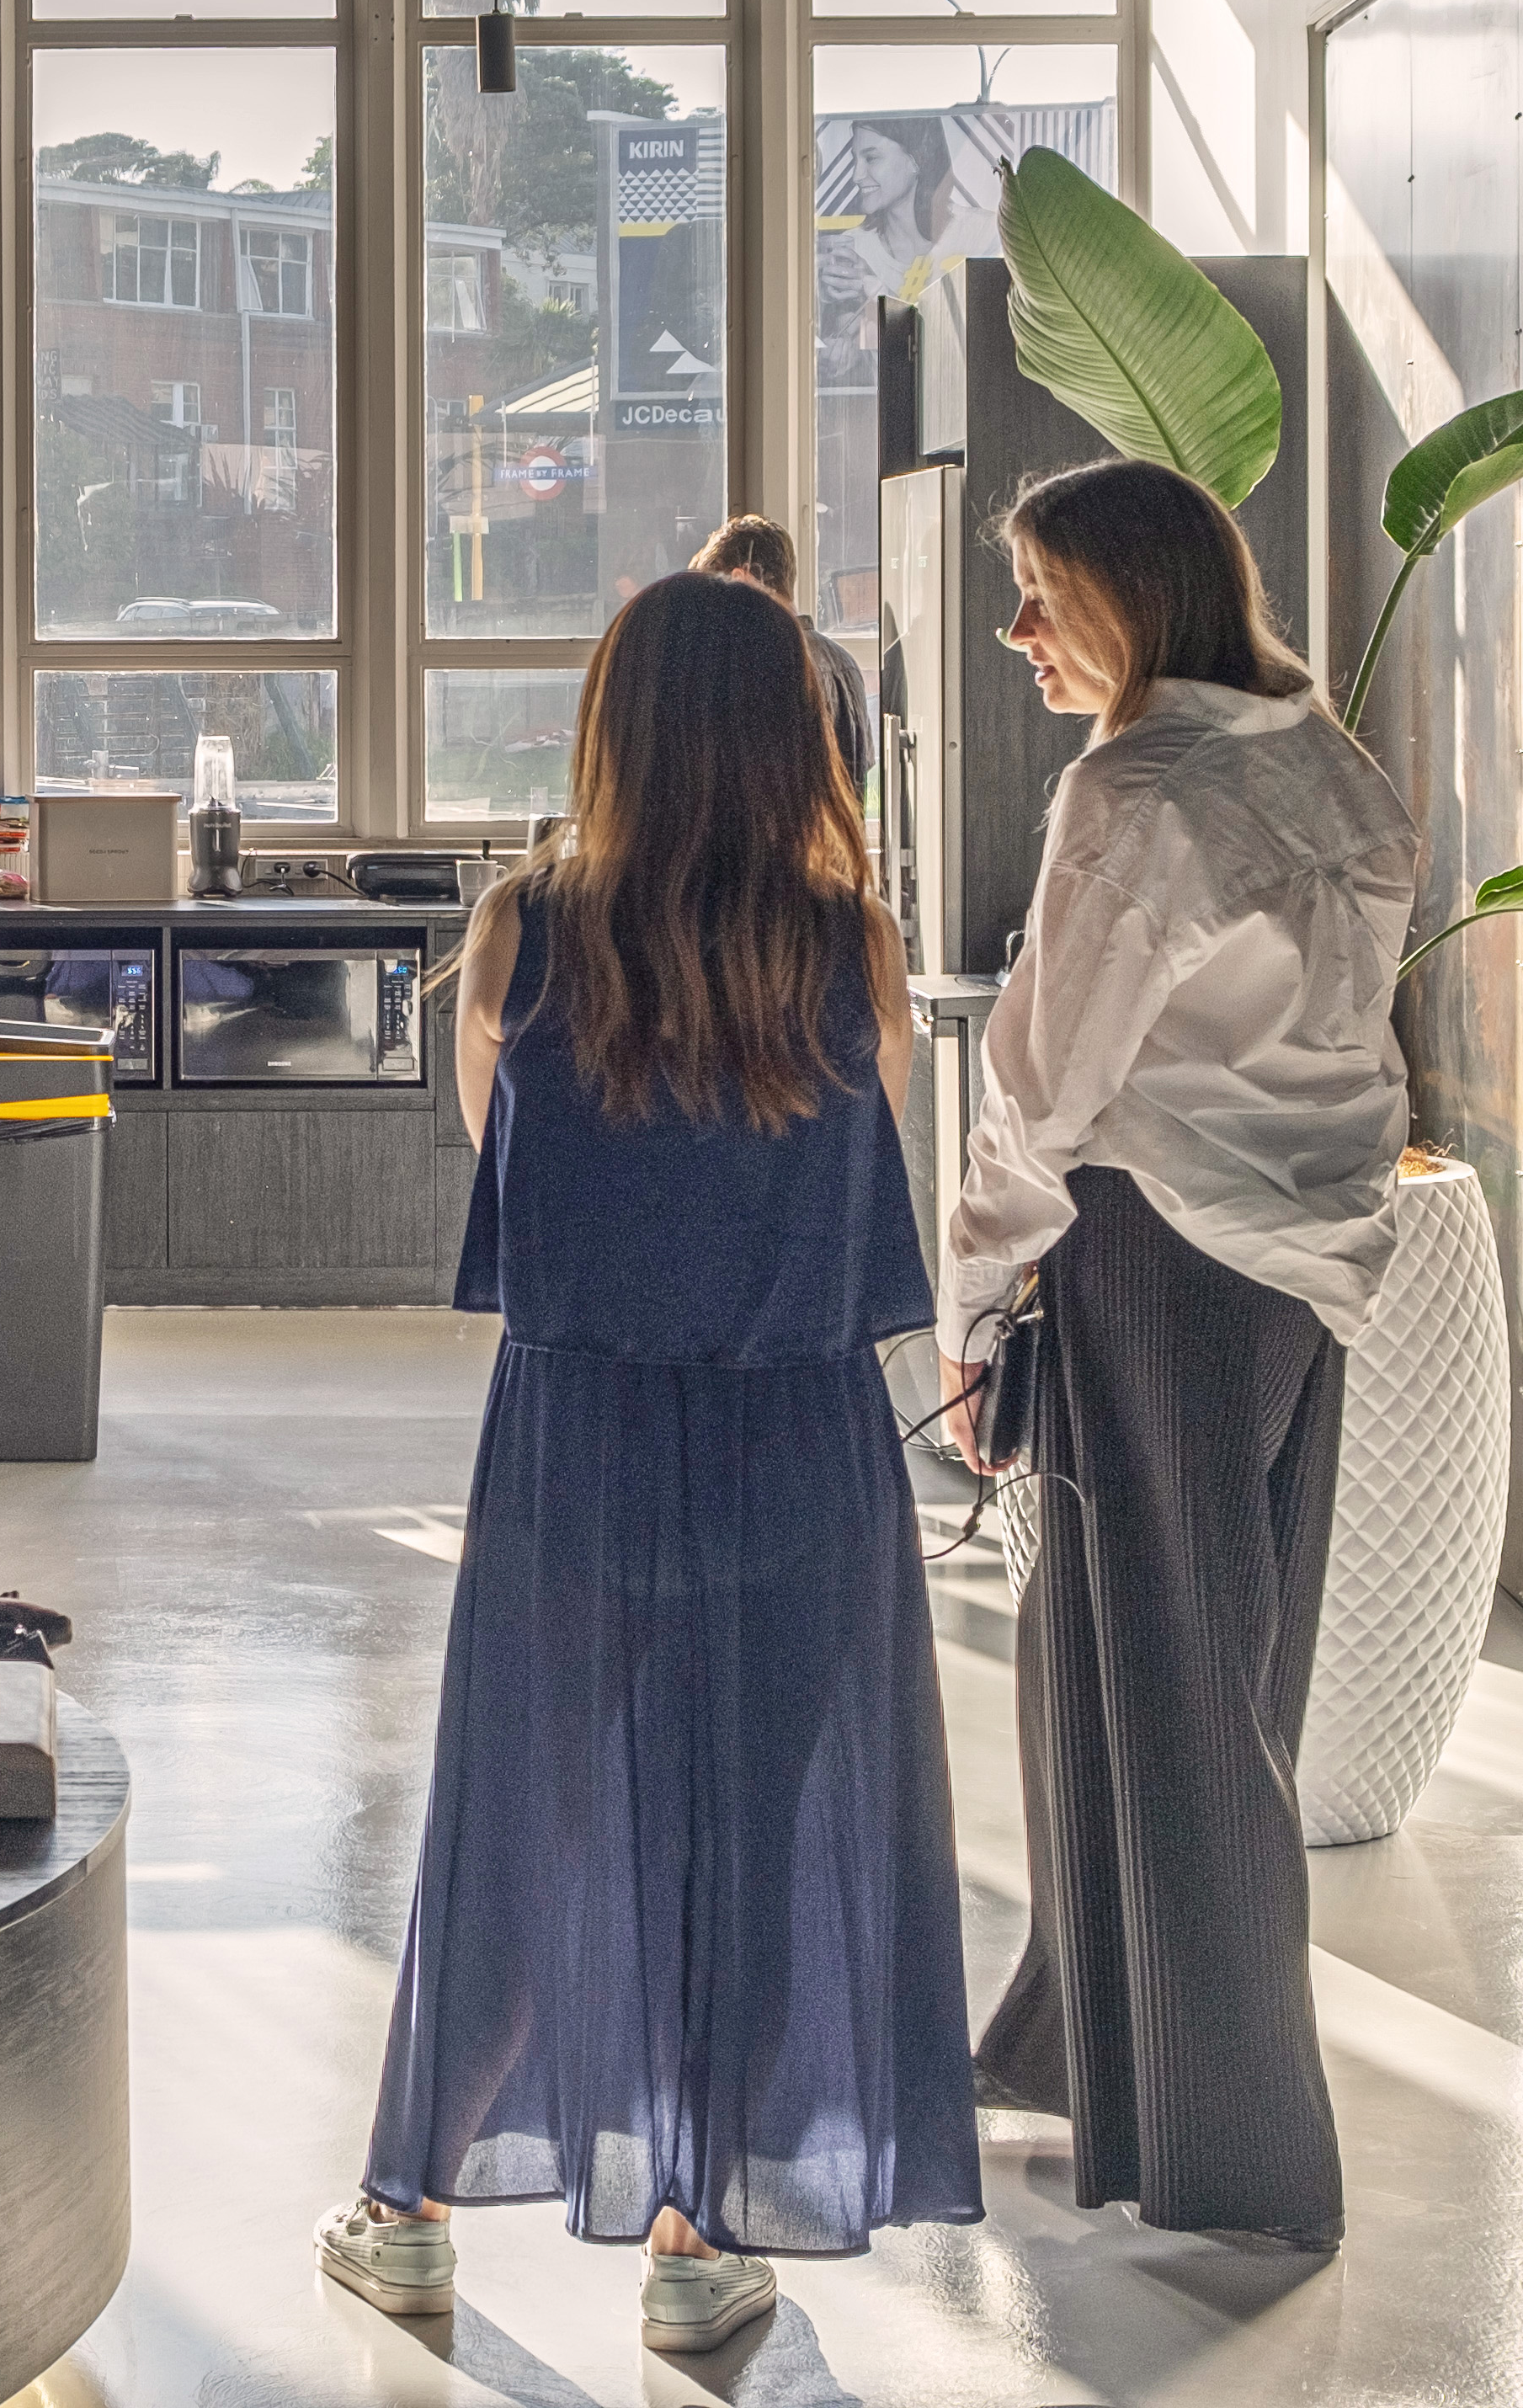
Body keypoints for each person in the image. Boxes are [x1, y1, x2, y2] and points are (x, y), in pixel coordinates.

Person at [322, 572, 978, 2359]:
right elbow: (864, 1144)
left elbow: (498, 1139)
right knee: (754, 1835)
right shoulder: (857, 944)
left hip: (583, 1438)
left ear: (609, 726)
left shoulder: (525, 925)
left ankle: (408, 2212)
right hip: (799, 1444)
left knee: (523, 1815)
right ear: (798, 737)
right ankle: (698, 2239)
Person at [944, 454, 1419, 2251]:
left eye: (1042, 595)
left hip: (1159, 1248)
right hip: (1306, 1261)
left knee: (1170, 1691)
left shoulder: (1138, 785)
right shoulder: (1317, 749)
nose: (1019, 632)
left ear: (1128, 600)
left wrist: (983, 1298)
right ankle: (1079, 2045)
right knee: (1183, 1665)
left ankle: (1242, 2148)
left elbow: (1044, 1080)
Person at [695, 510, 876, 801]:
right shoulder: (844, 664)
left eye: (713, 591)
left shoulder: (754, 666)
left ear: (741, 579)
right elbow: (858, 779)